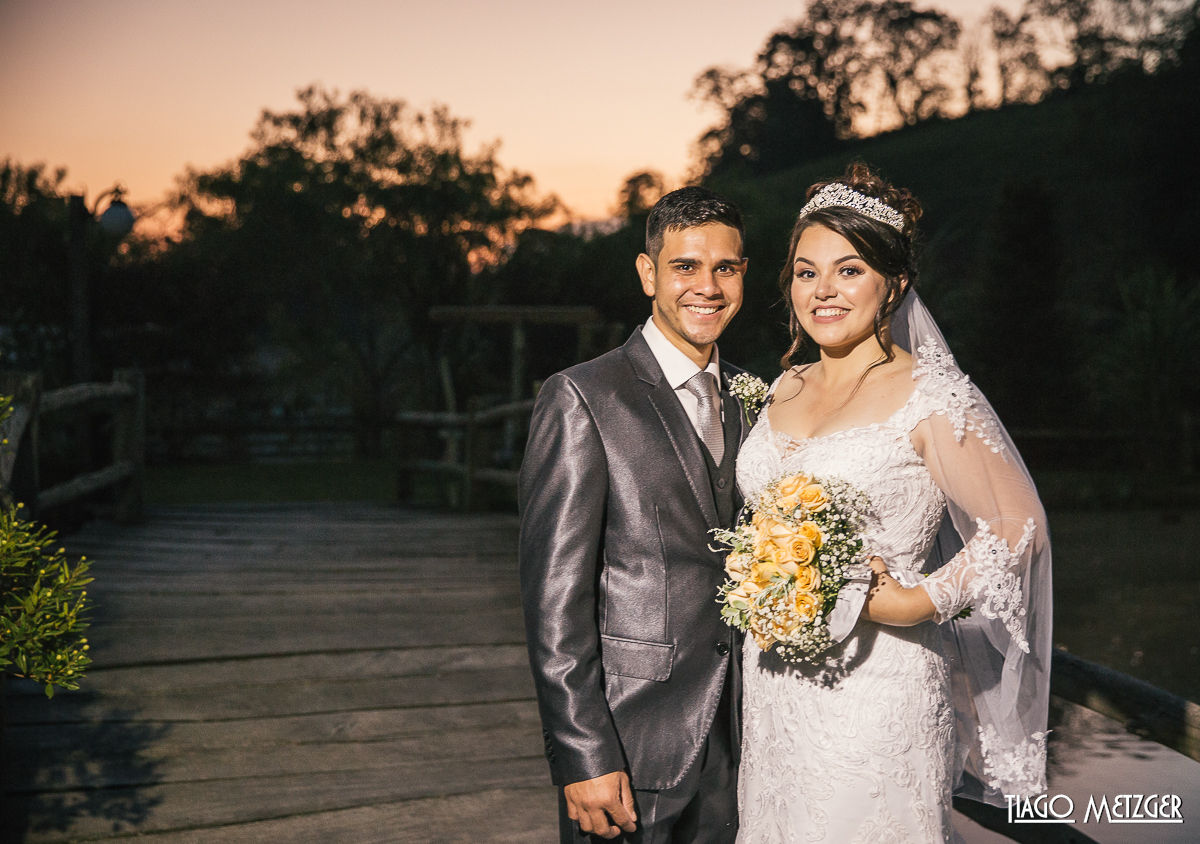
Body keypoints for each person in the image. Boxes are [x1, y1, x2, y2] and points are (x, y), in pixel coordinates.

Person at [734, 163, 1052, 843]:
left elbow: (1019, 522)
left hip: (881, 688)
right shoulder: (784, 386)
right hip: (773, 693)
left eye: (849, 271)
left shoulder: (930, 394)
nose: (823, 290)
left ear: (895, 284)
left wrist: (921, 600)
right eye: (805, 270)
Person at [519, 186, 753, 843]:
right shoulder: (583, 397)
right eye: (685, 267)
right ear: (648, 273)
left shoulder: (754, 396)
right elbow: (553, 603)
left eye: (725, 268)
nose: (707, 286)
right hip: (631, 743)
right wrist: (583, 755)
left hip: (747, 745)